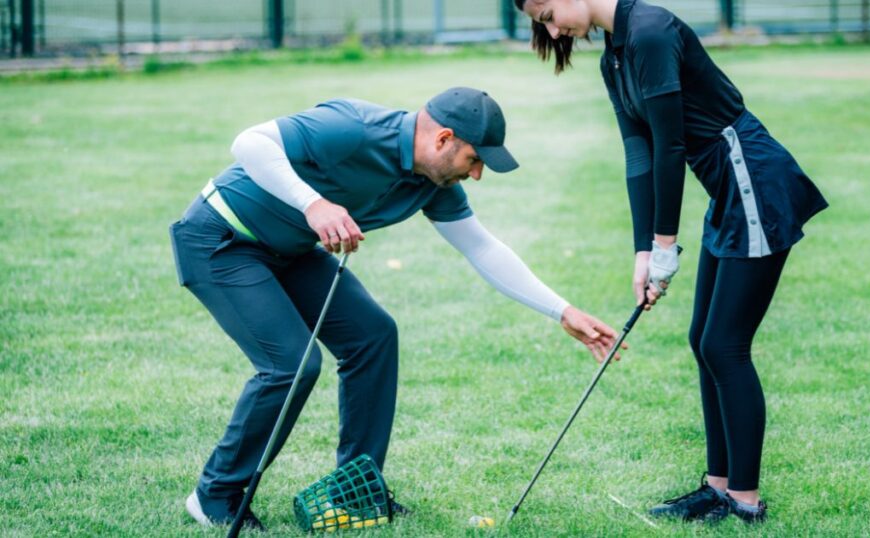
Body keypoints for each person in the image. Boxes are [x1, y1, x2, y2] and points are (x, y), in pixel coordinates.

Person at [170, 87, 624, 529]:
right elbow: (248, 142)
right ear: (444, 139)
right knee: (290, 366)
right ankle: (215, 496)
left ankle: (354, 492)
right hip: (221, 239)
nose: (478, 174)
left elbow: (482, 248)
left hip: (289, 250)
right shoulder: (355, 126)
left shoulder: (432, 181)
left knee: (373, 335)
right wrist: (315, 205)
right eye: (475, 160)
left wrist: (562, 311)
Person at [515, 0, 829, 524]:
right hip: (728, 192)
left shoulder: (652, 32)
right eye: (541, 23)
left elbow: (670, 144)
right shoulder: (613, 58)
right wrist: (644, 251)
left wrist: (665, 245)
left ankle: (745, 502)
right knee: (703, 340)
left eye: (548, 13)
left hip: (754, 181)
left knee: (725, 345)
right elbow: (639, 152)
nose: (552, 29)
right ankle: (718, 486)